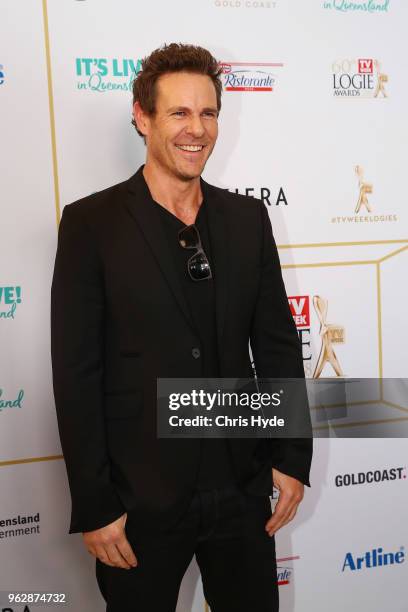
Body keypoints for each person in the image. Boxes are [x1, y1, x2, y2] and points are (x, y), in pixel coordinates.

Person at [51, 43, 312, 612]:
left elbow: (275, 344)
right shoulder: (91, 224)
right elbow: (76, 374)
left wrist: (291, 455)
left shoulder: (247, 219)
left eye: (209, 113)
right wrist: (95, 504)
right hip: (138, 501)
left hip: (242, 494)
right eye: (179, 113)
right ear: (142, 117)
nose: (197, 130)